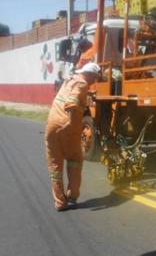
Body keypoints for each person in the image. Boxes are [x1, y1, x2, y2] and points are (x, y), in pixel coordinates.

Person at [44, 62, 100, 211]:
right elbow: (71, 103)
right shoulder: (81, 84)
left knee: (55, 165)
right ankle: (73, 195)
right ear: (88, 74)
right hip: (68, 127)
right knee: (75, 160)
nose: (95, 81)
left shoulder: (70, 80)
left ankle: (60, 202)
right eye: (94, 78)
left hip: (52, 125)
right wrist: (70, 125)